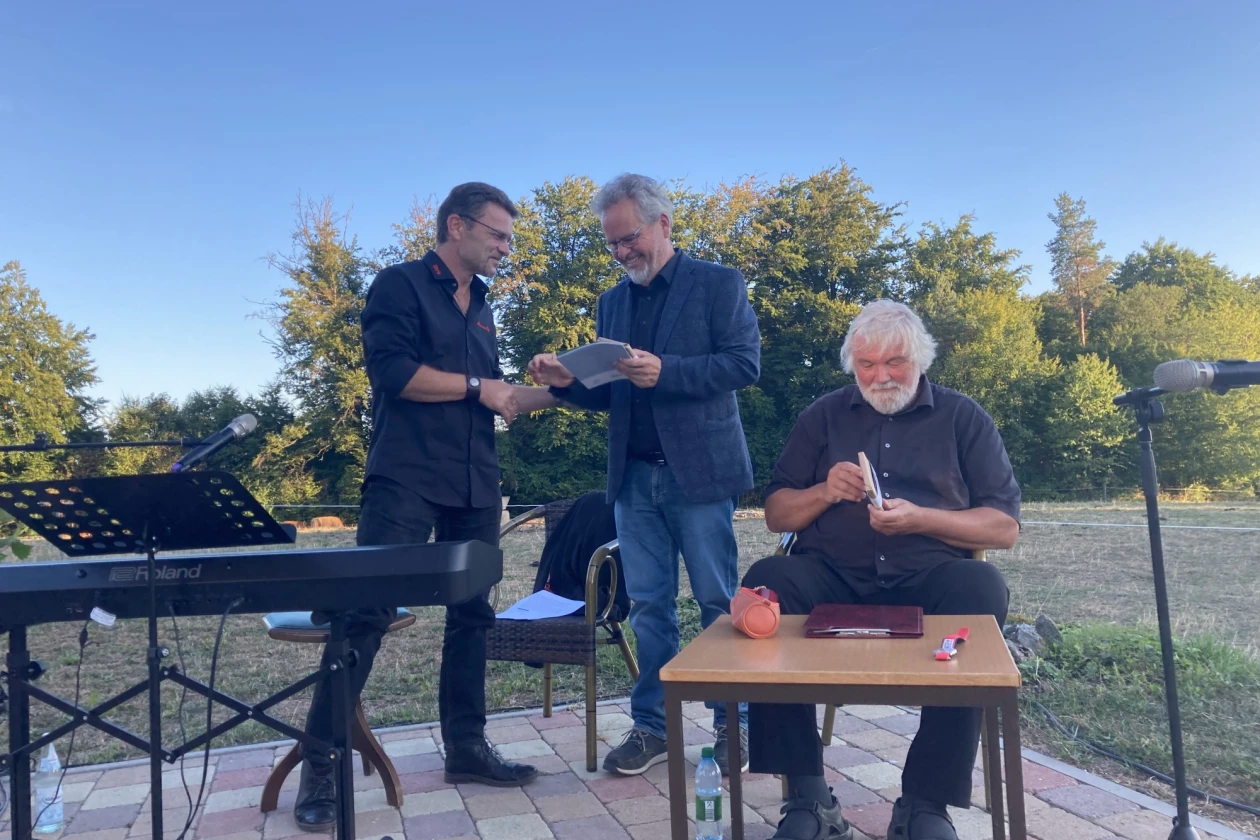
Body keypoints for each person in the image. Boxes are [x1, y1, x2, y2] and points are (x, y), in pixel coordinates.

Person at [294, 182, 556, 831]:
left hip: (475, 483)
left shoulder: (486, 307)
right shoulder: (400, 285)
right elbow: (396, 375)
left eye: (508, 238)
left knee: (474, 617)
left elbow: (501, 398)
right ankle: (319, 762)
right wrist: (479, 386)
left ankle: (466, 748)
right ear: (457, 226)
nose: (505, 248)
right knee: (365, 614)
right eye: (497, 235)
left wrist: (567, 388)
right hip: (405, 478)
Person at [742, 300, 1020, 840]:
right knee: (766, 583)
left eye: (894, 362)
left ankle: (925, 804)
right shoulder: (823, 415)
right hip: (831, 574)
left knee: (981, 585)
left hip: (929, 579)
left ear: (921, 359)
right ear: (852, 364)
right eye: (867, 364)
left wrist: (922, 520)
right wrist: (824, 491)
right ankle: (807, 798)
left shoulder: (962, 417)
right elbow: (777, 512)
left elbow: (1002, 527)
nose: (881, 376)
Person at [528, 173, 760, 776]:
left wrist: (669, 372)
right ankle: (653, 728)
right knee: (649, 606)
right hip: (632, 478)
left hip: (701, 475)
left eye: (629, 238)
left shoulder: (719, 284)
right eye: (612, 245)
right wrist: (566, 385)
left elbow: (744, 364)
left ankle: (732, 725)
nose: (622, 252)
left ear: (664, 224)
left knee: (715, 602)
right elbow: (612, 396)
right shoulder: (612, 302)